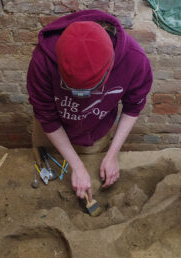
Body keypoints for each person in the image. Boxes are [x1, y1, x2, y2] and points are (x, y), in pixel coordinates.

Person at [27, 10, 153, 201]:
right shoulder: (43, 59)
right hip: (51, 135)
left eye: (90, 88)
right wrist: (76, 167)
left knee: (93, 172)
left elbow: (133, 107)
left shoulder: (134, 60)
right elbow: (46, 115)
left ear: (110, 66)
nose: (82, 97)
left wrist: (112, 155)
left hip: (95, 133)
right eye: (71, 87)